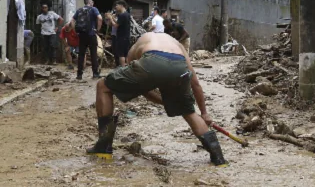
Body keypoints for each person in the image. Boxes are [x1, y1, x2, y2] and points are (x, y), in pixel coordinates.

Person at [86, 33, 227, 166]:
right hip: (179, 65)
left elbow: (142, 88)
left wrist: (164, 102)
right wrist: (204, 113)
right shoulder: (177, 45)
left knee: (103, 86)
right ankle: (218, 158)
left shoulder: (138, 44)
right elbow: (195, 83)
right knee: (188, 111)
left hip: (151, 59)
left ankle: (103, 148)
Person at [71, 0, 103, 80]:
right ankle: (95, 74)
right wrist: (97, 29)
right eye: (92, 1)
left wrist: (76, 31)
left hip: (81, 35)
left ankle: (79, 75)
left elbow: (72, 21)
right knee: (93, 54)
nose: (93, 3)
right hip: (91, 34)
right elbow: (100, 18)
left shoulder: (79, 10)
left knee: (81, 55)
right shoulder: (93, 9)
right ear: (90, 2)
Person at [106, 1, 131, 67]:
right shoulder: (127, 14)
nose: (116, 7)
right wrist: (113, 18)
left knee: (121, 54)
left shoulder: (122, 15)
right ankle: (127, 68)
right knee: (126, 54)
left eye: (117, 5)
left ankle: (122, 69)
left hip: (121, 37)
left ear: (122, 5)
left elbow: (116, 25)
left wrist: (111, 18)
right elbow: (119, 23)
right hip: (126, 37)